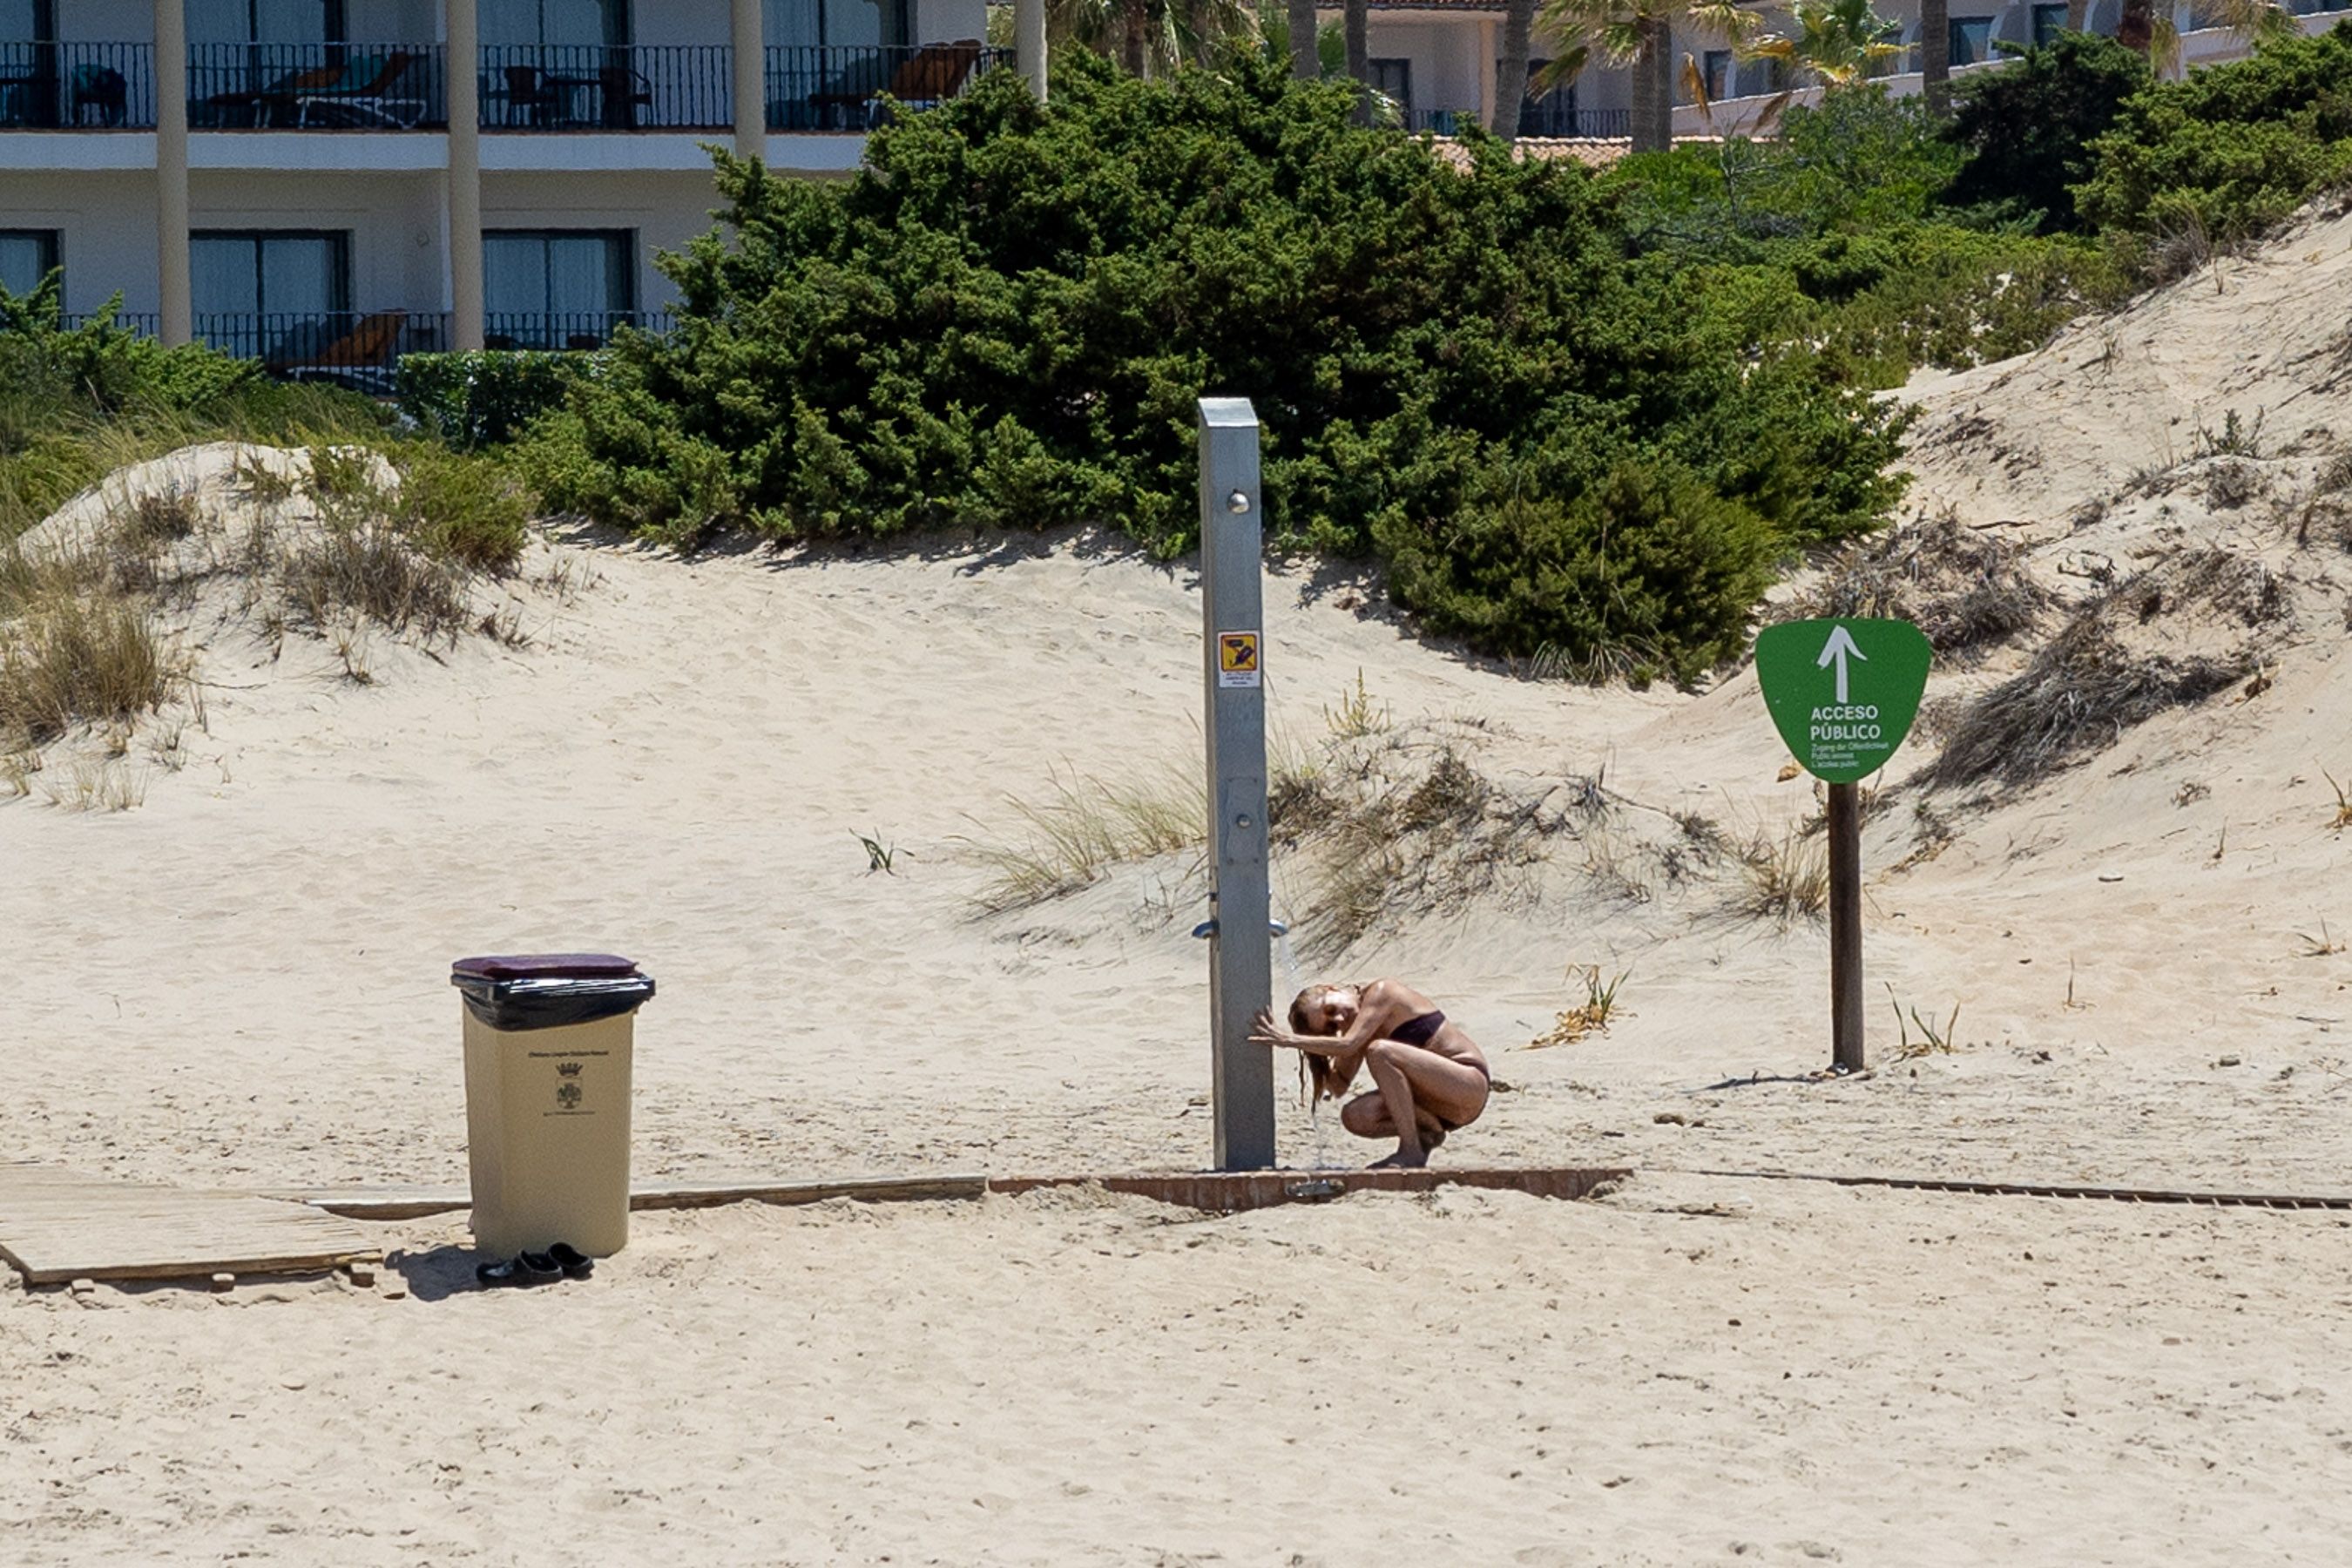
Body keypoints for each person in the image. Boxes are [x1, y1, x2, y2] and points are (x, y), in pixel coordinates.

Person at [1251, 979, 1489, 1168]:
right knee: (1355, 1116)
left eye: (1331, 1008)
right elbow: (1338, 1086)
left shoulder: (1382, 991)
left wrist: (1288, 1040)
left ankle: (1411, 1150)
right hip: (1443, 1110)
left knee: (1380, 1051)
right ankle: (1429, 1131)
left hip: (1467, 1085)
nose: (1339, 1019)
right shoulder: (1358, 1031)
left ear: (1332, 988)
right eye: (1331, 1027)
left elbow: (1349, 1045)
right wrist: (1315, 1055)